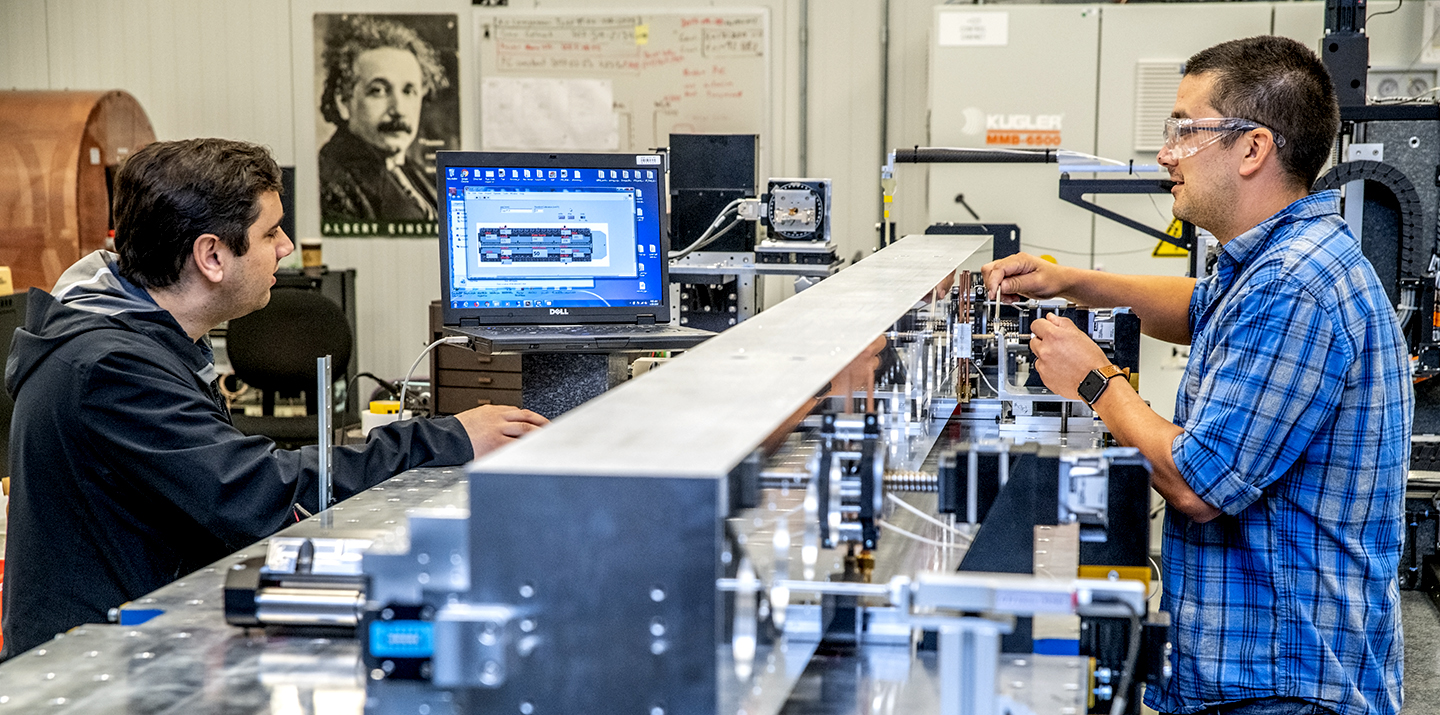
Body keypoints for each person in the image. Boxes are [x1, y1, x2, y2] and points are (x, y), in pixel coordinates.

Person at [982, 37, 1409, 715]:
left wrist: (1095, 382)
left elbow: (1196, 482)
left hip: (1282, 688)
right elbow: (1196, 309)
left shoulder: (1296, 285)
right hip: (1258, 676)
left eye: (1184, 130)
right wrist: (1072, 280)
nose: (1165, 152)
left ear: (1252, 149)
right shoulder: (1272, 264)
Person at [0, 138, 548, 659]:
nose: (286, 248)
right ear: (211, 256)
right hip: (97, 669)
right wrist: (449, 437)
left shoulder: (145, 339)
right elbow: (255, 490)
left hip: (143, 634)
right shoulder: (109, 368)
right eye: (272, 233)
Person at [318, 15, 446, 223]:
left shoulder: (414, 174)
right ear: (343, 101)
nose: (398, 109)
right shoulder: (330, 183)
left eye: (408, 91)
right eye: (378, 90)